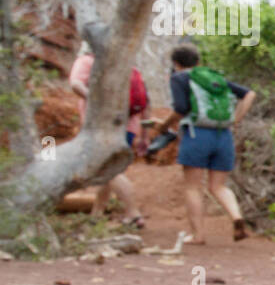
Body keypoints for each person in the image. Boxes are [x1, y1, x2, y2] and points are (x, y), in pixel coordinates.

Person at [155, 44, 256, 244]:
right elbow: (249, 94)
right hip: (223, 135)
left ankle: (198, 235)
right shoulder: (215, 78)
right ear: (198, 62)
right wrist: (235, 120)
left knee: (193, 186)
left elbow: (181, 109)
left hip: (197, 133)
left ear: (176, 64)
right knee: (218, 186)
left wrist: (163, 126)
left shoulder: (180, 78)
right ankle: (236, 217)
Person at [68, 43, 146, 228]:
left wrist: (96, 101)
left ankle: (133, 213)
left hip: (103, 125)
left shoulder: (87, 61)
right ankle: (97, 216)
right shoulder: (124, 63)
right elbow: (144, 99)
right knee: (109, 170)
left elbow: (75, 84)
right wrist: (145, 133)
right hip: (128, 125)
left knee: (108, 170)